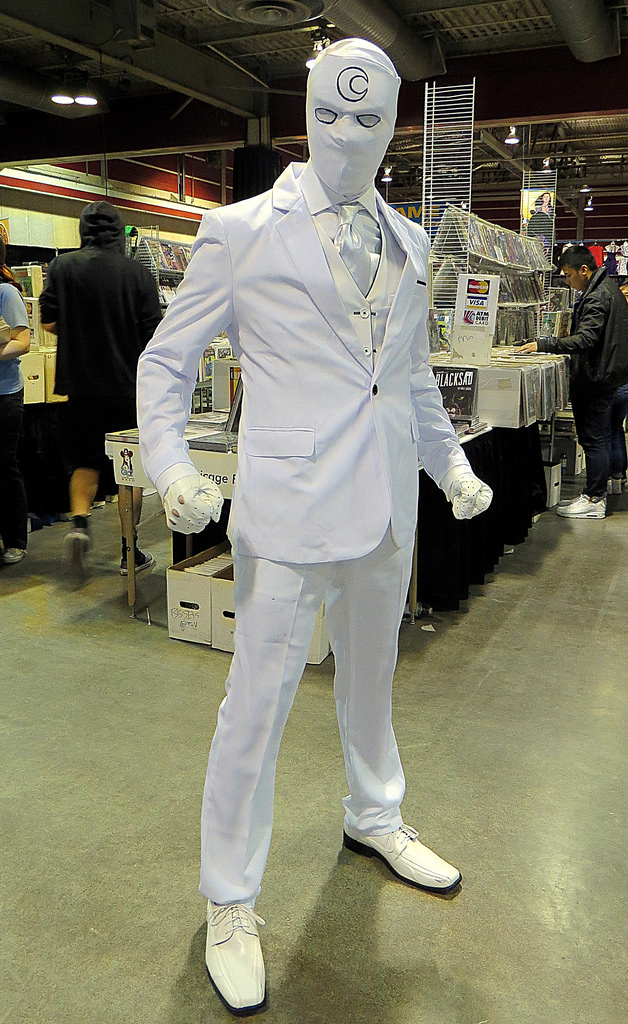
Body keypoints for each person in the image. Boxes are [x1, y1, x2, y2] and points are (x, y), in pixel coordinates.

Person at [137, 39, 493, 1017]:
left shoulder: (410, 242)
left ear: (394, 126)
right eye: (329, 115)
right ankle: (230, 897)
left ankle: (375, 812)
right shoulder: (240, 231)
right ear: (304, 113)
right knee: (255, 707)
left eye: (368, 118)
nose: (345, 136)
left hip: (383, 510)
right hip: (287, 515)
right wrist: (172, 467)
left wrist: (452, 468)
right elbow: (167, 363)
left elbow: (409, 379)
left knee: (372, 683)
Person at [39, 201, 162, 575]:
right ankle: (129, 550)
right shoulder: (138, 273)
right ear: (119, 233)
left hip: (80, 386)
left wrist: (79, 328)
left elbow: (48, 322)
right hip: (127, 386)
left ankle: (79, 523)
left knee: (85, 460)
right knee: (128, 470)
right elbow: (153, 333)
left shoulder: (61, 267)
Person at [520, 244, 628, 518]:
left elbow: (586, 339)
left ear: (584, 270)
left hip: (596, 379)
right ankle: (596, 492)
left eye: (568, 275)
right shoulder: (606, 289)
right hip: (606, 377)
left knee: (594, 440)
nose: (567, 282)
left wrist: (544, 344)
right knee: (601, 437)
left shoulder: (597, 296)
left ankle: (594, 498)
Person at [0, 241, 30, 565]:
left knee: (4, 466)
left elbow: (23, 342)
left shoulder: (6, 293)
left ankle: (15, 540)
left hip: (5, 393)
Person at [606, 281, 628, 492]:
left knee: (608, 430)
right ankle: (618, 476)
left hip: (617, 382)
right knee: (615, 428)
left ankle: (609, 478)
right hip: (623, 383)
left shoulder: (619, 323)